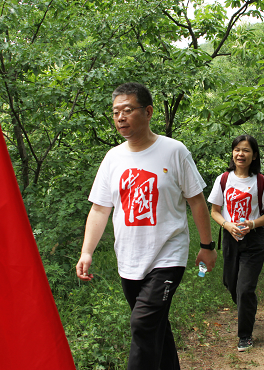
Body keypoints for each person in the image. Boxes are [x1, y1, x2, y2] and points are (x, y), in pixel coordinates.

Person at [75, 83, 216, 370]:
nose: (120, 117)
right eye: (115, 112)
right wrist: (87, 251)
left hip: (167, 256)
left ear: (148, 111)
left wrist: (206, 246)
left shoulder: (174, 151)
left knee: (142, 324)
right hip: (129, 258)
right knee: (154, 328)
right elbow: (100, 208)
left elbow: (197, 201)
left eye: (128, 110)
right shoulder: (113, 158)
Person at [207, 135, 264, 352]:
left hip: (254, 241)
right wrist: (227, 225)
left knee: (245, 288)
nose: (241, 154)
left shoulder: (260, 181)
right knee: (231, 284)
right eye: (237, 149)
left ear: (254, 155)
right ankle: (247, 311)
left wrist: (252, 223)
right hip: (230, 239)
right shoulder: (223, 179)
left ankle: (245, 335)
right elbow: (215, 211)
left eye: (246, 150)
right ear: (232, 153)